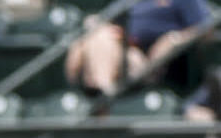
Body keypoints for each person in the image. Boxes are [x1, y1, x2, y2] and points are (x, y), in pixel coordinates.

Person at [65, 0, 209, 96]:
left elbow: (206, 28)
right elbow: (110, 21)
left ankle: (101, 99)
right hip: (122, 49)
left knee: (101, 39)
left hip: (150, 61)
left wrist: (174, 39)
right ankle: (101, 92)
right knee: (94, 32)